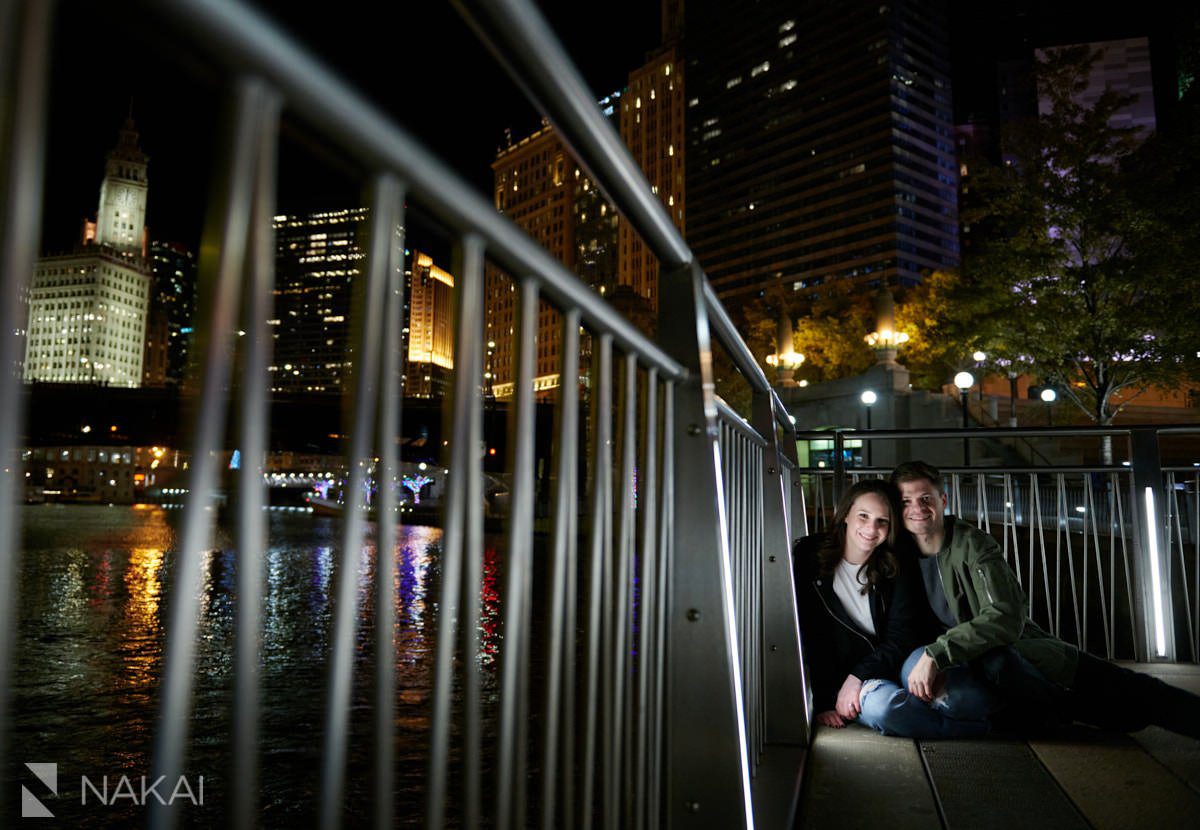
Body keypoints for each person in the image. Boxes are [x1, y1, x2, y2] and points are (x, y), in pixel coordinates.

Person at [891, 459, 1200, 738]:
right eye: (906, 501)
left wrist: (937, 653)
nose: (917, 509)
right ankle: (1061, 713)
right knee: (1117, 714)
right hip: (981, 666)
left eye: (925, 499)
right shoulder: (900, 555)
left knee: (1141, 696)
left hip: (1023, 652)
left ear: (943, 501)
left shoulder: (973, 545)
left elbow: (1005, 615)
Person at [793, 479, 996, 738]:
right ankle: (974, 729)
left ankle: (941, 712)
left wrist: (857, 676)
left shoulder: (896, 563)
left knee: (966, 700)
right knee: (885, 709)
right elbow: (811, 635)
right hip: (864, 681)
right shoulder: (810, 558)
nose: (871, 528)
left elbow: (901, 637)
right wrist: (826, 699)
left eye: (882, 521)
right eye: (863, 516)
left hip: (902, 660)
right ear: (845, 515)